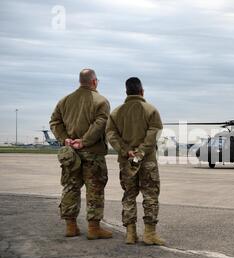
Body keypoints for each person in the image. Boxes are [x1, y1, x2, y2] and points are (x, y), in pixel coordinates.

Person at [50, 68, 112, 240]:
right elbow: (100, 124)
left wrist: (65, 139)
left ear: (80, 81)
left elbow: (55, 121)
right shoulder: (101, 101)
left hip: (71, 155)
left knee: (70, 187)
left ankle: (71, 227)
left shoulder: (64, 101)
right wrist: (84, 141)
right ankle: (94, 229)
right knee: (95, 190)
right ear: (94, 82)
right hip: (92, 153)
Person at [106, 77, 164, 245]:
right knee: (150, 195)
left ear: (126, 92)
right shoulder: (151, 110)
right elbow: (154, 132)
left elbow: (111, 135)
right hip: (147, 161)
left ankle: (130, 234)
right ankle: (149, 234)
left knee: (129, 196)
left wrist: (126, 151)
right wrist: (141, 152)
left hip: (126, 161)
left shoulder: (116, 113)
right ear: (142, 91)